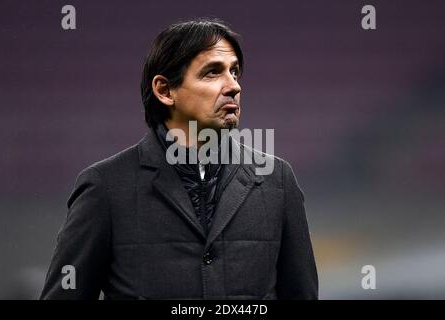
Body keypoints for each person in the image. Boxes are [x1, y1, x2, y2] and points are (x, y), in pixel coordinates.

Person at [40, 18, 318, 300]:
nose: (234, 86)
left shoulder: (278, 180)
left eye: (235, 72)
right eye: (213, 72)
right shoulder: (106, 187)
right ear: (164, 90)